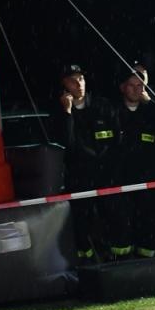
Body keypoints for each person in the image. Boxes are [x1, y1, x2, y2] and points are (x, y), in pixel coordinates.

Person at [57, 62, 120, 263]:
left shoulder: (102, 106)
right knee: (83, 221)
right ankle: (87, 261)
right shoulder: (60, 112)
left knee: (111, 217)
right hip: (80, 178)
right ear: (64, 85)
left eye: (81, 79)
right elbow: (67, 144)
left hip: (106, 175)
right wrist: (67, 113)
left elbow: (117, 139)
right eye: (73, 81)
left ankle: (114, 257)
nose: (79, 84)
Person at [109, 65, 155, 259]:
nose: (137, 89)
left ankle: (146, 261)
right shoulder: (113, 112)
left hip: (148, 179)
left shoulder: (152, 112)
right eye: (132, 85)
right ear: (122, 87)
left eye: (140, 85)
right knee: (122, 224)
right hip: (120, 178)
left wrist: (151, 104)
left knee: (149, 223)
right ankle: (122, 262)